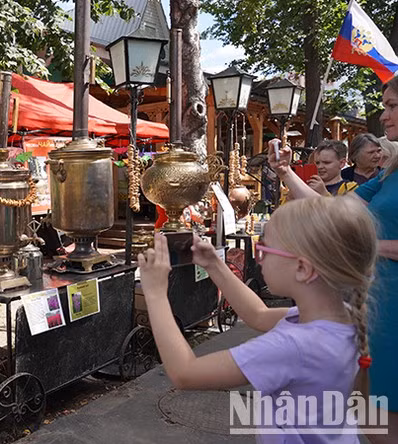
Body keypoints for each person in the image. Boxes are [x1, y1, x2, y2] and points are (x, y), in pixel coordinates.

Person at [139, 196, 375, 442]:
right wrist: (214, 264)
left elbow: (185, 373)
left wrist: (155, 293)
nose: (259, 258)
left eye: (265, 249)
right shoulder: (341, 316)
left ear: (303, 269)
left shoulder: (292, 347)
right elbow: (258, 315)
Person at [267, 75, 398, 442]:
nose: (383, 116)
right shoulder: (391, 173)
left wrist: (371, 248)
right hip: (379, 312)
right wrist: (285, 172)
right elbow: (331, 211)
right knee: (375, 424)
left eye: (391, 106)